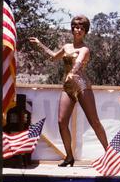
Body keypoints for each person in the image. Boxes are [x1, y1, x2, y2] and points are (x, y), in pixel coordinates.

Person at [29, 15, 108, 167]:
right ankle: (69, 156)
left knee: (94, 122)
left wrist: (72, 72)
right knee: (61, 121)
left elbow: (78, 63)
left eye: (82, 28)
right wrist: (40, 44)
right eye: (76, 27)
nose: (78, 30)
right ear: (72, 28)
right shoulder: (66, 47)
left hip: (82, 85)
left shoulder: (85, 49)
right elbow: (53, 57)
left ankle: (110, 154)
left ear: (85, 32)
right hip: (68, 87)